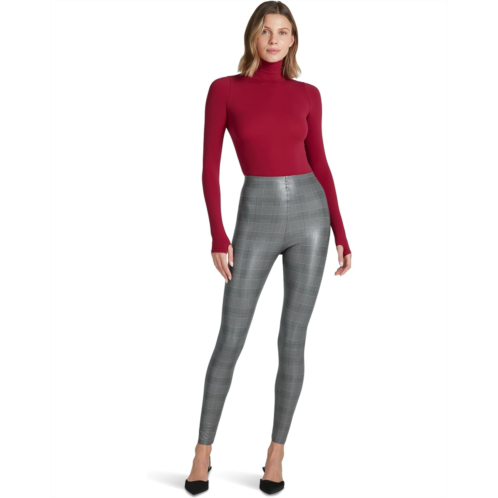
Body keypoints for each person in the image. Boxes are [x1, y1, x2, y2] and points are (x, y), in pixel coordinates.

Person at [186, 1, 352, 494]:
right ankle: (202, 453)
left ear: (293, 39)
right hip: (255, 213)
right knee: (230, 337)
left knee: (292, 340)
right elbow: (209, 166)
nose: (274, 40)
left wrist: (342, 231)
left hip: (310, 216)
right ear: (252, 37)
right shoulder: (224, 89)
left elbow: (321, 163)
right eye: (266, 31)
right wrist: (218, 234)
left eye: (283, 31)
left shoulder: (308, 94)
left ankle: (276, 454)